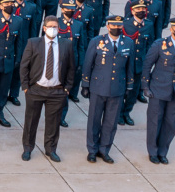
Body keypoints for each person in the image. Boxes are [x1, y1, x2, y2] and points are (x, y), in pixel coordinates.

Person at [19, 16, 76, 162]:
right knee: (31, 121)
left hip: (57, 91)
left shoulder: (66, 44)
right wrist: (26, 87)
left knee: (53, 123)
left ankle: (51, 149)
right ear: (44, 28)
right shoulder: (34, 43)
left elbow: (71, 68)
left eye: (55, 26)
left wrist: (67, 88)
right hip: (36, 89)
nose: (53, 29)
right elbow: (24, 66)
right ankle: (28, 148)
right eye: (50, 26)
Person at [83, 15, 134, 164]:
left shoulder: (128, 43)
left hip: (117, 89)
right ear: (107, 25)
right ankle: (92, 150)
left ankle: (104, 150)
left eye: (119, 25)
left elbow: (129, 67)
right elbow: (88, 64)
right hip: (98, 88)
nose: (117, 28)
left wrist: (129, 86)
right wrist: (85, 85)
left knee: (111, 123)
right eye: (113, 25)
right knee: (94, 121)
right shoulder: (97, 42)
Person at [142, 18, 175, 164]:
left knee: (171, 123)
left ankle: (163, 151)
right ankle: (153, 151)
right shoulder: (160, 45)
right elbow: (147, 65)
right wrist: (145, 86)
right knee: (155, 121)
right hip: (158, 89)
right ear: (172, 29)